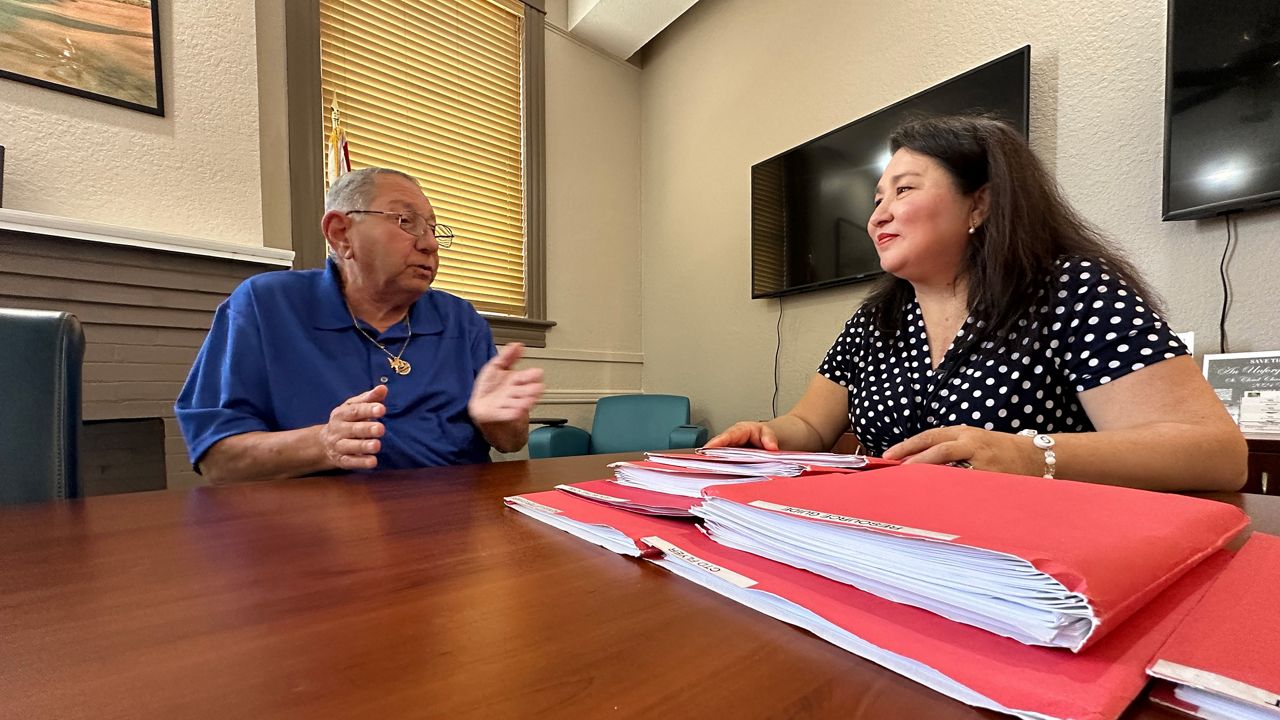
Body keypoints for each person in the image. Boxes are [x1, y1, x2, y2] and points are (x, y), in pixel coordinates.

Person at [707, 115, 1246, 492]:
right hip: (890, 545)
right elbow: (812, 425)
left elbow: (1217, 453)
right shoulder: (878, 318)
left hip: (1029, 567)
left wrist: (1030, 456)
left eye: (904, 191)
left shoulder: (1069, 289)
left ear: (981, 203)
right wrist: (771, 435)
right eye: (877, 200)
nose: (877, 216)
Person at [176, 167, 544, 484]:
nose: (430, 244)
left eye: (433, 229)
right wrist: (323, 444)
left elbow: (511, 443)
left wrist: (498, 421)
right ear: (340, 233)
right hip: (316, 533)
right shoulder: (265, 305)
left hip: (453, 527)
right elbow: (217, 461)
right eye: (406, 222)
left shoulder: (461, 319)